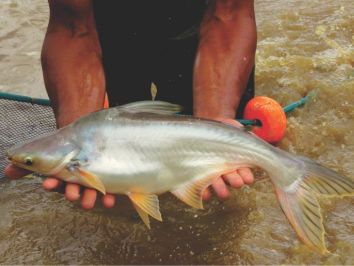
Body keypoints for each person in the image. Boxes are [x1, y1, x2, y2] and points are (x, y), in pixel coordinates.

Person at [5, 0, 257, 210]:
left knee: (223, 189)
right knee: (120, 195)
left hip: (200, 17)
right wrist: (81, 130)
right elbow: (72, 26)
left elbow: (229, 12)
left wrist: (215, 127)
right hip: (113, 22)